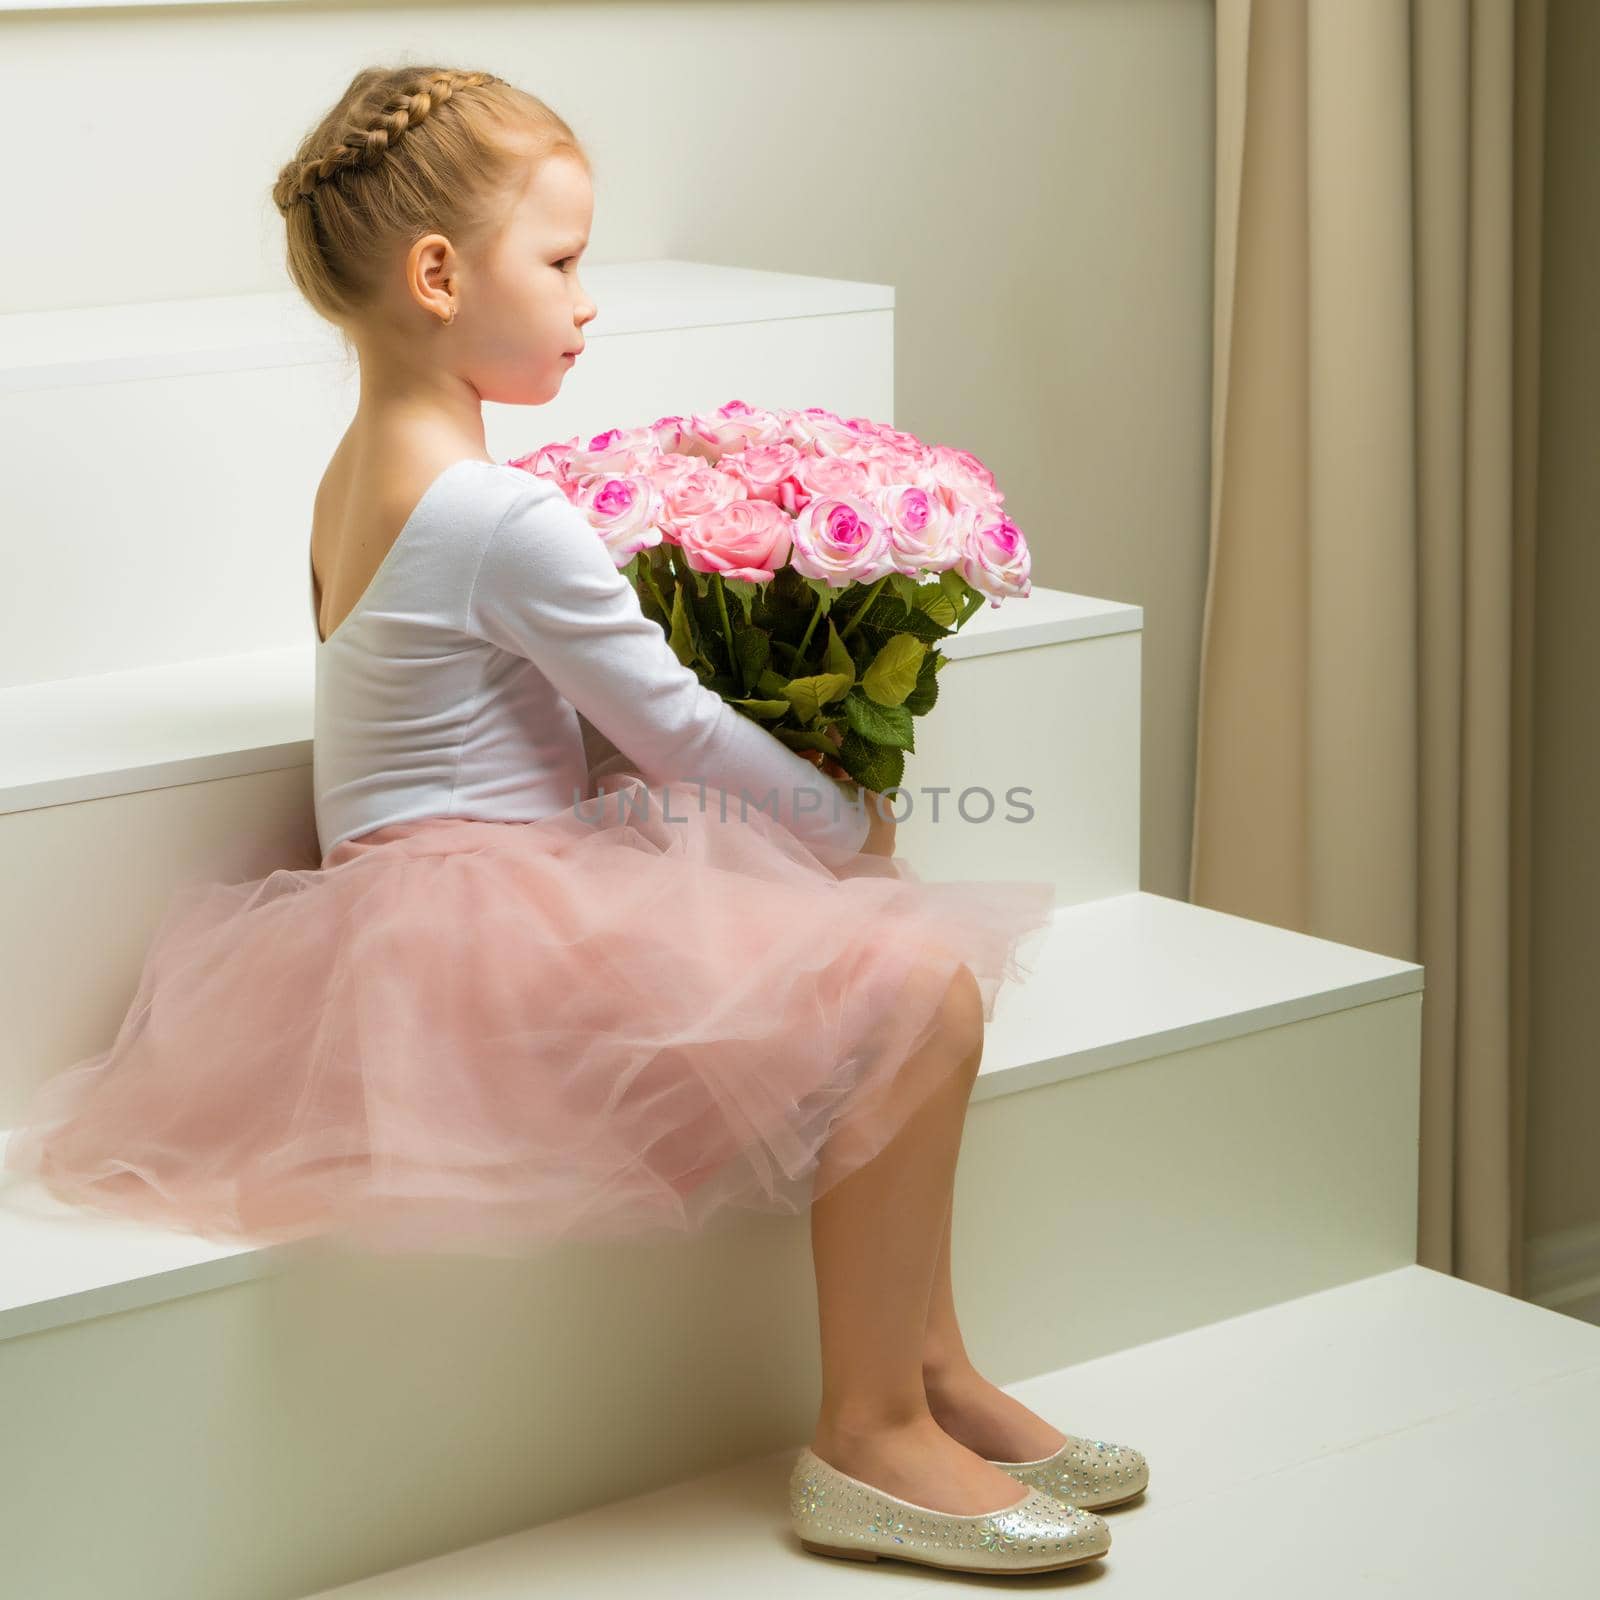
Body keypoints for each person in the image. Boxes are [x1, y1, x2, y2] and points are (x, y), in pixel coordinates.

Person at [2, 65, 1143, 1574]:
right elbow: (664, 724)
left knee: (887, 959)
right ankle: (868, 1428)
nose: (586, 300)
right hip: (482, 918)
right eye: (559, 261)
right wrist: (837, 818)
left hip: (419, 900)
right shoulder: (497, 512)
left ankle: (932, 1370)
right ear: (435, 276)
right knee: (920, 987)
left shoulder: (364, 473)